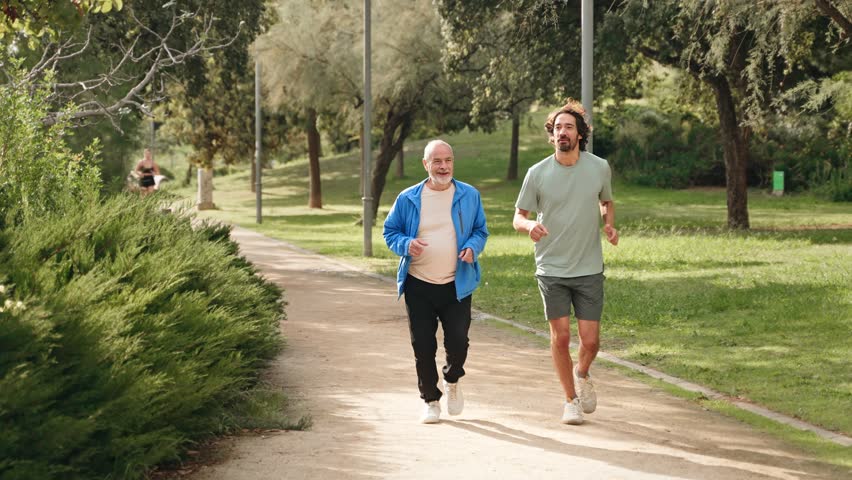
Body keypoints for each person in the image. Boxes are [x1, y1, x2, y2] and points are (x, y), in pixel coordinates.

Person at [512, 99, 618, 425]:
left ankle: (582, 372)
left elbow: (606, 200)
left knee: (591, 341)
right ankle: (569, 400)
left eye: (568, 127)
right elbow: (519, 216)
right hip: (551, 268)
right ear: (552, 134)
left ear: (580, 133)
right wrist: (530, 226)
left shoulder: (599, 167)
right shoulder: (537, 173)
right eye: (557, 127)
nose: (562, 132)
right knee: (559, 338)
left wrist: (609, 223)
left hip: (589, 267)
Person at [383, 139, 489, 424]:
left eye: (448, 160)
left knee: (458, 342)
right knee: (423, 346)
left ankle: (452, 380)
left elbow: (481, 230)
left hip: (457, 283)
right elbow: (390, 231)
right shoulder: (408, 198)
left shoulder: (469, 195)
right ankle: (430, 399)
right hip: (419, 284)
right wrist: (406, 244)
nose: (443, 166)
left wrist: (472, 248)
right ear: (426, 164)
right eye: (437, 161)